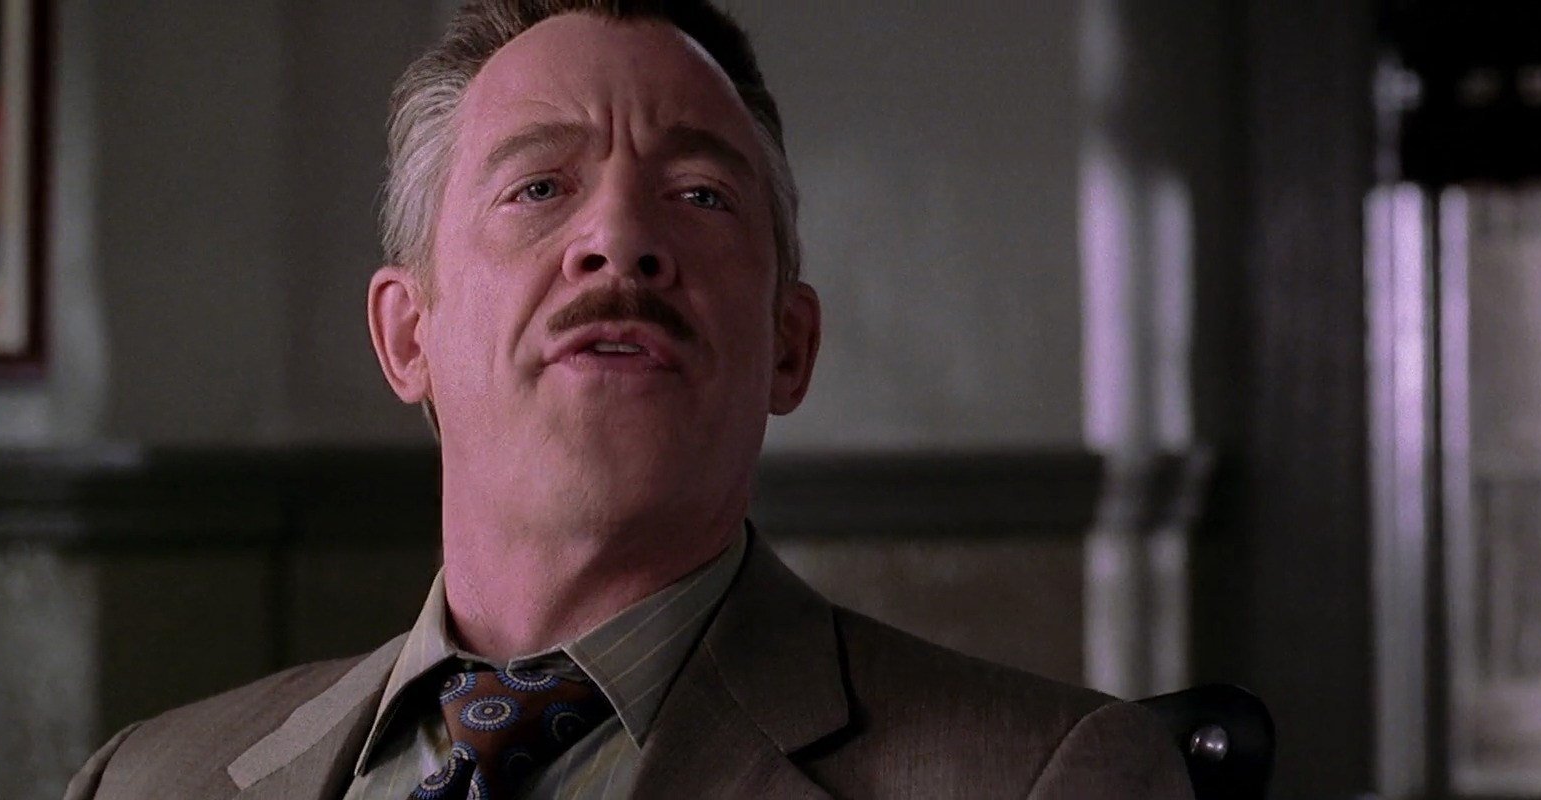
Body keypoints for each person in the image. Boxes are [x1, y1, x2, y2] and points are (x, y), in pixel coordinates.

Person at [63, 2, 1192, 798]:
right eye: (539, 186)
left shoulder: (1051, 778)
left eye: (699, 195)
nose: (618, 238)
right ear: (408, 335)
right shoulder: (141, 780)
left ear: (789, 346)